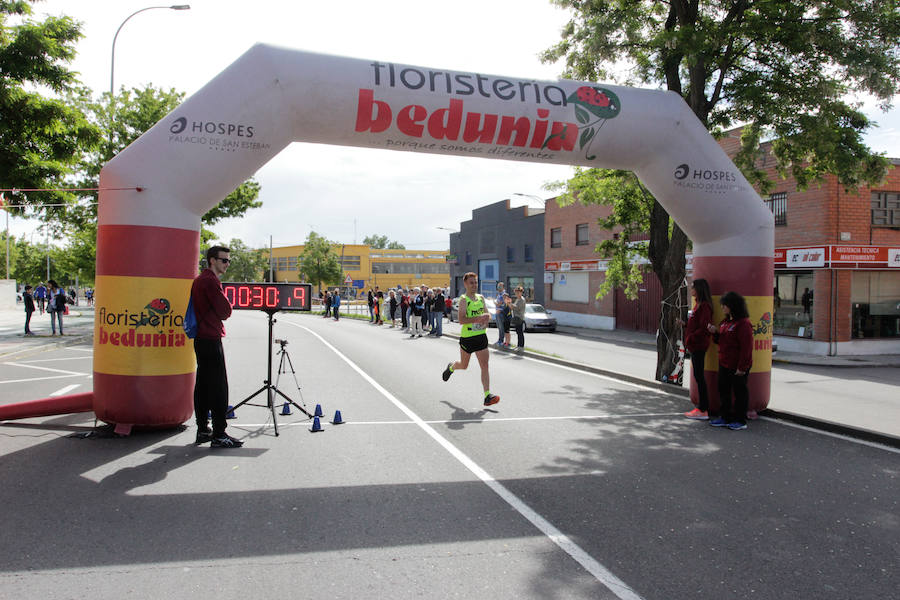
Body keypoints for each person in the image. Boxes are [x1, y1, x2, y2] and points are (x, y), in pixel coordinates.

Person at [191, 245, 243, 448]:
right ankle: (219, 433)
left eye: (229, 260)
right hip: (211, 338)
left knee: (203, 386)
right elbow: (225, 311)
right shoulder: (211, 281)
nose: (227, 264)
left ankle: (203, 429)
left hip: (201, 338)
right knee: (219, 387)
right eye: (224, 260)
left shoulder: (200, 279)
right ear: (212, 260)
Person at [442, 272, 500, 406]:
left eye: (475, 282)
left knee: (484, 366)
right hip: (467, 338)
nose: (474, 285)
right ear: (465, 284)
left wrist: (486, 318)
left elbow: (487, 315)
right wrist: (477, 319)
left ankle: (487, 396)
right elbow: (461, 319)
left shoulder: (480, 298)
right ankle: (451, 368)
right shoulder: (464, 299)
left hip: (480, 336)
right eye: (471, 283)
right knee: (464, 365)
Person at [707, 291, 753, 431]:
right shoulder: (726, 322)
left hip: (737, 365)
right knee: (724, 391)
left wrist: (742, 367)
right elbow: (722, 340)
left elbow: (746, 347)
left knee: (740, 392)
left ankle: (740, 420)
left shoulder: (743, 324)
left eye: (724, 305)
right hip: (724, 362)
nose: (722, 308)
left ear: (732, 305)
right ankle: (725, 416)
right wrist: (715, 332)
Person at [682, 279, 713, 420]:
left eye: (693, 287)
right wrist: (684, 325)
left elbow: (703, 328)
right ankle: (701, 408)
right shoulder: (697, 305)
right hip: (694, 345)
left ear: (699, 289)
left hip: (699, 345)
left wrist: (690, 338)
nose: (691, 290)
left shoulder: (705, 307)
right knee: (698, 376)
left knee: (699, 377)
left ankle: (703, 409)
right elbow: (695, 324)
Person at [511, 286, 526, 352]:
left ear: (521, 292)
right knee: (518, 332)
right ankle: (518, 345)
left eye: (518, 292)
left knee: (520, 332)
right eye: (516, 292)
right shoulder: (517, 299)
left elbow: (517, 307)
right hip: (516, 317)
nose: (517, 293)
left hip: (520, 317)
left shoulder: (522, 300)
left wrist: (511, 305)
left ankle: (521, 346)